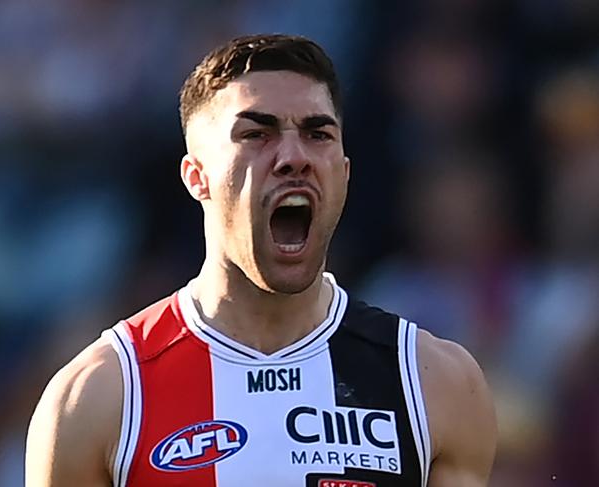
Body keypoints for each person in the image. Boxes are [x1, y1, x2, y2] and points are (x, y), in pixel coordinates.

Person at [26, 34, 497, 487]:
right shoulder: (101, 395)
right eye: (257, 133)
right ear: (197, 177)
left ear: (345, 173)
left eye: (317, 133)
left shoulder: (431, 382)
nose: (293, 157)